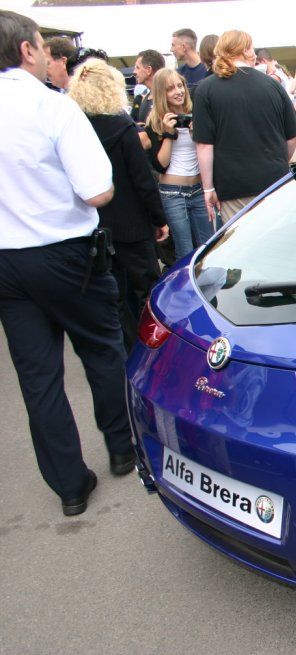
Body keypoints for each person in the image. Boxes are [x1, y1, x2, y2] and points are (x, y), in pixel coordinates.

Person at [0, 10, 137, 515]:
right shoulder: (51, 107)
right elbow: (98, 190)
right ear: (26, 51)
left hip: (5, 261)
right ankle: (122, 447)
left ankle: (69, 486)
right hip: (64, 253)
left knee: (37, 377)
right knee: (101, 350)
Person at [68, 59, 168, 350]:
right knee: (147, 287)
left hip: (93, 223)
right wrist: (159, 219)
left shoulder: (75, 127)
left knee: (111, 292)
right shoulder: (122, 127)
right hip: (132, 223)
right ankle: (152, 345)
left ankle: (124, 344)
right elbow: (142, 180)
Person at [193, 30, 296, 224]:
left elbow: (204, 145)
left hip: (233, 186)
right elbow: (293, 136)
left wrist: (208, 188)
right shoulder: (272, 84)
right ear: (246, 51)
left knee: (241, 247)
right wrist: (277, 159)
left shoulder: (206, 89)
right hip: (275, 180)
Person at [145, 68, 214, 258]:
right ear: (161, 93)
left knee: (208, 246)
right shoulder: (156, 122)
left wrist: (196, 133)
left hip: (199, 189)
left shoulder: (197, 113)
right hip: (172, 192)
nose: (178, 91)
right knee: (184, 249)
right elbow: (160, 165)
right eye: (170, 89)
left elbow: (208, 151)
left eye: (180, 85)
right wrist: (168, 134)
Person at [131, 49, 165, 124]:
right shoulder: (142, 99)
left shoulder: (168, 97)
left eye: (137, 68)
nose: (134, 72)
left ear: (148, 70)